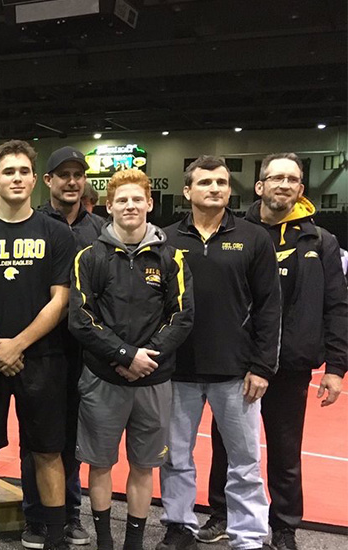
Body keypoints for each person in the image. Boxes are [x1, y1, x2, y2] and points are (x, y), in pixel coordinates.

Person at [199, 153, 347, 550]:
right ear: (260, 186)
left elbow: (337, 306)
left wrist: (336, 367)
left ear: (301, 189)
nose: (284, 184)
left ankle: (284, 527)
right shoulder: (236, 233)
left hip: (292, 365)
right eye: (276, 177)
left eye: (292, 179)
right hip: (239, 362)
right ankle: (222, 514)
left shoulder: (321, 241)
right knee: (227, 446)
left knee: (285, 451)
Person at [0, 140, 76, 550]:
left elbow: (60, 299)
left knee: (47, 449)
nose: (17, 178)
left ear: (35, 180)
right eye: (8, 172)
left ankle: (54, 535)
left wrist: (17, 345)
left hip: (42, 357)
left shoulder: (57, 233)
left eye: (24, 171)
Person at [158, 155, 281, 550]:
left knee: (245, 461)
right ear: (187, 191)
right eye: (205, 182)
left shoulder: (253, 238)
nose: (215, 188)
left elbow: (269, 307)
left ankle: (248, 535)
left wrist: (262, 366)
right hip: (178, 370)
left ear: (230, 190)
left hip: (236, 372)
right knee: (175, 457)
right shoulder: (165, 240)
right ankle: (179, 525)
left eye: (222, 183)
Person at [69, 169, 194, 550]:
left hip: (153, 379)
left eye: (137, 199)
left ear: (149, 203)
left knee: (144, 466)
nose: (130, 206)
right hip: (103, 378)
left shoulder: (171, 257)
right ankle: (105, 542)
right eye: (122, 200)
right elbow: (81, 318)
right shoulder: (90, 257)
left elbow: (182, 316)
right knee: (100, 464)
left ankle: (134, 544)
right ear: (109, 206)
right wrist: (124, 355)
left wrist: (145, 357)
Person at [21, 145, 106, 548]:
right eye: (64, 175)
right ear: (48, 181)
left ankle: (70, 513)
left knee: (73, 436)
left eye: (78, 175)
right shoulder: (33, 224)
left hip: (86, 350)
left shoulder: (101, 230)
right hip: (43, 347)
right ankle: (35, 516)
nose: (72, 182)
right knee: (36, 436)